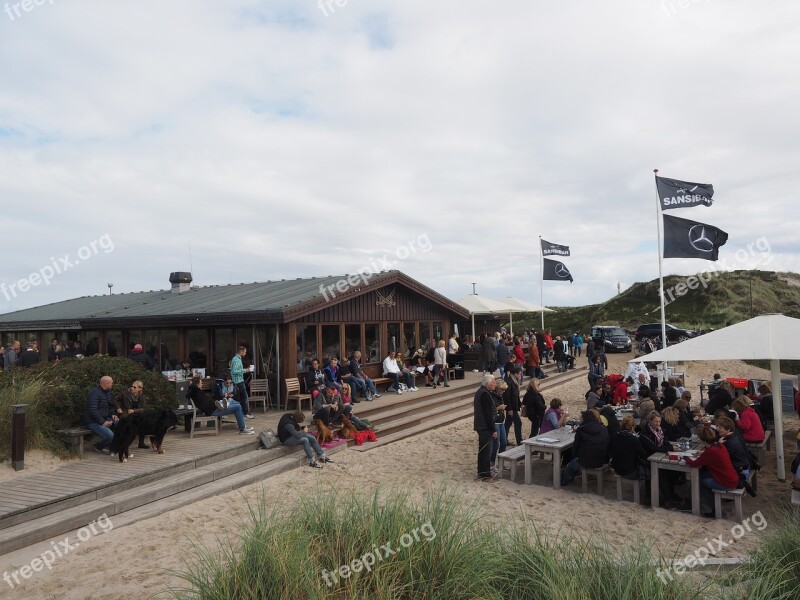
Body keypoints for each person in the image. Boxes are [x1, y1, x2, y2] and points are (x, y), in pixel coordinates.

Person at [685, 425, 742, 518]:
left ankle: (714, 507)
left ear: (702, 439)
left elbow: (694, 464)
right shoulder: (719, 445)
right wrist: (703, 453)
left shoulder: (710, 451)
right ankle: (704, 501)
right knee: (702, 475)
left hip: (726, 482)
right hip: (732, 478)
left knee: (699, 482)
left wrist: (684, 455)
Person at [639, 410, 679, 508]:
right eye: (655, 421)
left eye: (659, 421)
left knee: (672, 472)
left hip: (659, 456)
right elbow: (653, 448)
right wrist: (669, 448)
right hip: (648, 459)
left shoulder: (660, 430)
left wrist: (671, 447)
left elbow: (665, 442)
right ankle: (667, 500)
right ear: (650, 421)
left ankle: (671, 496)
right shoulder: (645, 433)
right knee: (662, 474)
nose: (658, 424)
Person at [186, 377, 254, 435]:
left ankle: (242, 425)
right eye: (201, 383)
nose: (202, 384)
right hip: (214, 410)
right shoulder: (195, 391)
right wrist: (192, 384)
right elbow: (188, 393)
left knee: (232, 402)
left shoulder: (197, 391)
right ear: (197, 384)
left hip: (215, 406)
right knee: (238, 407)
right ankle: (242, 429)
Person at [561, 409, 610, 486]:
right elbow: (606, 444)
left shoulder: (581, 430)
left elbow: (575, 448)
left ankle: (563, 482)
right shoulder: (603, 428)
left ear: (584, 419)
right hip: (601, 459)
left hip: (586, 461)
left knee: (570, 465)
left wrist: (576, 457)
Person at [84, 376, 119, 454]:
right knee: (110, 435)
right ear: (106, 383)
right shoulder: (94, 393)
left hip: (105, 418)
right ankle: (99, 447)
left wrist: (113, 414)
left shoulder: (108, 392)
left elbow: (111, 405)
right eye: (111, 383)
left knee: (120, 424)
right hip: (92, 421)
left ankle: (111, 447)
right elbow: (92, 410)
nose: (112, 385)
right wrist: (103, 422)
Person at [474, 374, 498, 481]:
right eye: (493, 382)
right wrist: (493, 430)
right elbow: (487, 414)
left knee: (483, 451)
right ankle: (485, 474)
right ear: (487, 383)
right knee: (486, 451)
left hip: (482, 426)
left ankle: (482, 472)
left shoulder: (483, 392)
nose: (495, 384)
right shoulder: (484, 394)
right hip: (485, 427)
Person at [611, 415, 649, 483]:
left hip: (617, 467)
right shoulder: (633, 439)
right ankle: (648, 492)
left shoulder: (615, 434)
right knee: (650, 470)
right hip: (629, 471)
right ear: (633, 426)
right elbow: (643, 455)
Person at [115, 380, 150, 448]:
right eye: (132, 386)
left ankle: (141, 443)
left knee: (143, 423)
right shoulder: (125, 393)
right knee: (126, 424)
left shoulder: (142, 396)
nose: (132, 388)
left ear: (140, 389)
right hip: (126, 412)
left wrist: (134, 411)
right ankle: (122, 443)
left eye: (134, 387)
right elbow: (115, 399)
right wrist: (118, 408)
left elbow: (144, 408)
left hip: (136, 413)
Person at [490, 380, 509, 474]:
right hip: (495, 422)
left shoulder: (500, 396)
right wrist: (499, 408)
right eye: (502, 389)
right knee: (496, 444)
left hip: (501, 421)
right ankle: (492, 464)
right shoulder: (492, 396)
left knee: (504, 442)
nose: (503, 391)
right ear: (497, 388)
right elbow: (492, 409)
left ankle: (501, 462)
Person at [230, 345, 254, 419]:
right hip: (238, 381)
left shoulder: (236, 358)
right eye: (245, 352)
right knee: (244, 398)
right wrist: (246, 370)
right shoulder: (237, 359)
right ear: (241, 351)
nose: (245, 353)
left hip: (238, 381)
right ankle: (245, 413)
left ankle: (244, 413)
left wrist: (246, 369)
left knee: (242, 398)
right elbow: (234, 371)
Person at [504, 367, 523, 446]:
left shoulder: (515, 382)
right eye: (519, 374)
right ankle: (519, 441)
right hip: (512, 408)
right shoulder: (509, 382)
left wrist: (520, 404)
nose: (520, 375)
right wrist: (509, 409)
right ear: (515, 374)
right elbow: (507, 397)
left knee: (507, 424)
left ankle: (504, 440)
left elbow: (516, 395)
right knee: (518, 423)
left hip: (514, 406)